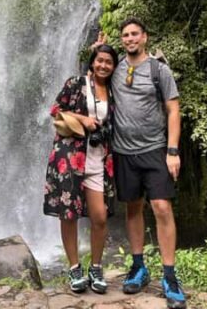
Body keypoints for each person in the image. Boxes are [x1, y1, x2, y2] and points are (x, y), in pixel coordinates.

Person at [111, 17, 187, 309]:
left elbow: (173, 110)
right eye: (125, 35)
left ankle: (169, 276)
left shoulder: (159, 70)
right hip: (123, 152)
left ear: (145, 37)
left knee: (162, 207)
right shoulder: (115, 68)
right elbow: (93, 80)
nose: (130, 38)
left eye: (135, 34)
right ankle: (139, 266)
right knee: (132, 207)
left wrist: (172, 150)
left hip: (155, 150)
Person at [43, 44, 118, 295]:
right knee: (69, 214)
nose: (103, 65)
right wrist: (84, 120)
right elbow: (55, 110)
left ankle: (95, 267)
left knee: (99, 216)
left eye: (108, 62)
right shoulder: (76, 83)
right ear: (92, 62)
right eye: (100, 60)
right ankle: (75, 268)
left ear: (114, 66)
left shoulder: (113, 90)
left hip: (98, 159)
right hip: (70, 157)